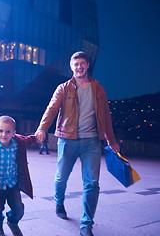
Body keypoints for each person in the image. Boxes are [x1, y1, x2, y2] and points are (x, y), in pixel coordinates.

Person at [35, 51, 120, 236]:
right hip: (67, 139)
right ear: (71, 67)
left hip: (91, 142)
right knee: (61, 178)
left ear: (87, 65)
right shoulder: (63, 88)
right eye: (76, 64)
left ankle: (86, 224)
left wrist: (111, 140)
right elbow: (52, 108)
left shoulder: (98, 88)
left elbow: (105, 115)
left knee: (92, 183)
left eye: (82, 63)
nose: (79, 67)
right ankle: (59, 202)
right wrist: (42, 128)